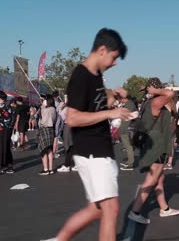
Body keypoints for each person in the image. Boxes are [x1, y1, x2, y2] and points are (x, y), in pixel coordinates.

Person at [48, 28, 130, 241]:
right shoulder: (81, 75)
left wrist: (114, 96)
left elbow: (96, 106)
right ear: (102, 50)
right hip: (92, 151)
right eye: (113, 57)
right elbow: (72, 118)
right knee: (111, 208)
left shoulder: (96, 75)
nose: (114, 63)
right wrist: (111, 112)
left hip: (100, 149)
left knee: (97, 210)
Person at [128, 78, 179, 224]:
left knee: (159, 179)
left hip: (151, 143)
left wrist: (149, 90)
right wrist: (155, 90)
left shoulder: (147, 103)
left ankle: (164, 208)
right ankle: (135, 211)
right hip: (156, 145)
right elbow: (170, 93)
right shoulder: (157, 102)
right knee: (151, 180)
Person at [38, 94, 57, 175]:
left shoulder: (45, 109)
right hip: (51, 130)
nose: (43, 100)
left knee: (43, 150)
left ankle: (45, 169)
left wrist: (42, 106)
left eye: (45, 99)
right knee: (49, 150)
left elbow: (43, 119)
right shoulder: (53, 109)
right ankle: (51, 169)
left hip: (44, 129)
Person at [119, 96, 137, 171]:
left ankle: (130, 164)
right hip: (125, 128)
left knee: (128, 146)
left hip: (127, 128)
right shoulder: (128, 104)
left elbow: (128, 116)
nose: (119, 100)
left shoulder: (129, 104)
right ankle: (129, 161)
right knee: (127, 146)